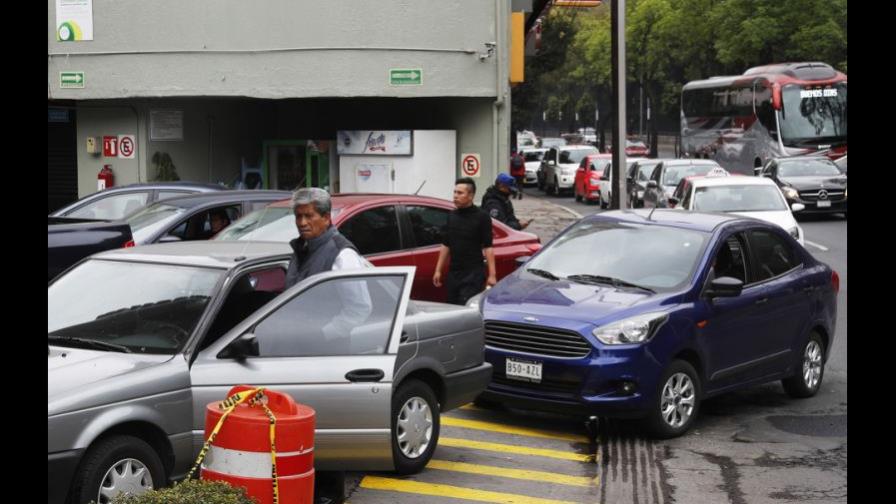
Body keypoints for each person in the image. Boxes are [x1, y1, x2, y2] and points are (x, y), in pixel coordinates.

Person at [284, 187, 372, 346]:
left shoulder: (342, 255)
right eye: (298, 216)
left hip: (327, 349)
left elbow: (360, 308)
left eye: (309, 216)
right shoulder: (301, 248)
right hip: (296, 342)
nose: (302, 223)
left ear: (326, 218)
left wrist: (323, 334)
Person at [433, 178, 497, 305]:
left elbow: (488, 247)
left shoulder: (482, 217)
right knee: (451, 308)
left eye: (460, 193)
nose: (455, 196)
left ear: (471, 195)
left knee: (466, 308)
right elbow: (446, 244)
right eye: (455, 192)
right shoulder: (451, 216)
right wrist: (438, 270)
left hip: (473, 274)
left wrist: (492, 274)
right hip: (454, 273)